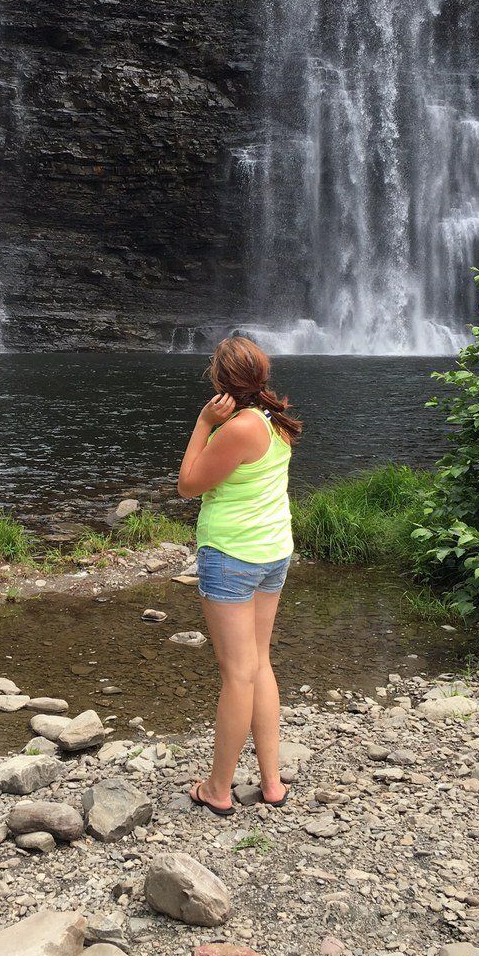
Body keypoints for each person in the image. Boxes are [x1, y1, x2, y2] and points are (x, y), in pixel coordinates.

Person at [177, 335, 301, 815]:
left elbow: (188, 485)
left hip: (232, 557)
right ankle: (272, 783)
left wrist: (204, 422)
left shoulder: (238, 428)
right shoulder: (277, 422)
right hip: (273, 554)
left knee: (236, 675)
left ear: (220, 382)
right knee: (259, 664)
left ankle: (219, 789)